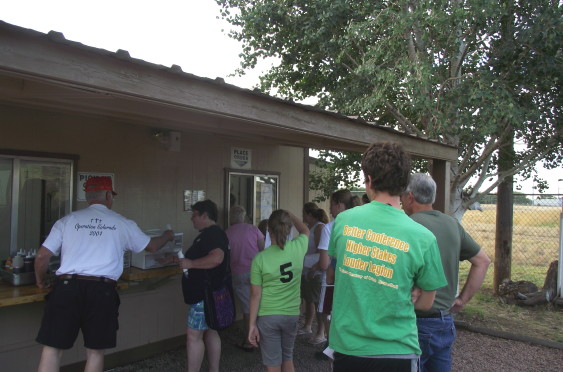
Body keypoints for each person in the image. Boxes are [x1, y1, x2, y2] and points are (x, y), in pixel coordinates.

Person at [34, 176, 175, 372]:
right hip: (102, 291)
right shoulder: (122, 222)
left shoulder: (68, 221)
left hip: (66, 289)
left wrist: (40, 281)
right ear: (108, 195)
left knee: (52, 350)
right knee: (95, 352)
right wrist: (167, 237)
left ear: (87, 196)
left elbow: (42, 257)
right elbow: (151, 246)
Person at [328, 142, 447, 372]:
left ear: (369, 180)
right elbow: (426, 303)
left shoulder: (343, 221)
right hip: (398, 349)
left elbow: (336, 271)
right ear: (403, 186)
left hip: (348, 347)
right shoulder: (424, 237)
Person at [401, 173, 491, 372]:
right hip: (444, 319)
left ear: (409, 197)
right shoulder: (452, 224)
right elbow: (482, 261)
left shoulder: (406, 226)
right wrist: (462, 300)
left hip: (414, 320)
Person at [248, 210, 309, 372]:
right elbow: (305, 230)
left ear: (268, 230)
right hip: (291, 314)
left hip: (268, 316)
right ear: (288, 229)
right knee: (287, 358)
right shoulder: (298, 247)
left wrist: (251, 324)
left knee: (273, 363)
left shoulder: (260, 259)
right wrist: (290, 214)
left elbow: (255, 295)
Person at [178, 199, 230, 372]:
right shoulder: (214, 233)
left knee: (194, 336)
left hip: (203, 296)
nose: (192, 219)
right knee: (211, 331)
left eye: (194, 215)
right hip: (212, 293)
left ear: (205, 215)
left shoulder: (212, 234)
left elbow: (217, 258)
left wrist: (191, 264)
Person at [314, 190, 361, 358]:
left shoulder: (330, 227)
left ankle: (332, 347)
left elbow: (324, 263)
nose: (330, 209)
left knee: (327, 312)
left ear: (339, 205)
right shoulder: (359, 222)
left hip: (332, 279)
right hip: (355, 277)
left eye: (331, 205)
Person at [225, 205, 265, 351]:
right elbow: (263, 250)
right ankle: (261, 336)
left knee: (248, 308)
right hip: (256, 272)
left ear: (231, 218)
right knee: (258, 304)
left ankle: (250, 340)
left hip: (238, 273)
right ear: (244, 216)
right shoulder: (253, 229)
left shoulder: (226, 233)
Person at [298, 202, 329, 345]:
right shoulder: (309, 227)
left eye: (304, 213)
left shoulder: (319, 228)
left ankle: (321, 332)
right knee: (309, 298)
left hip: (315, 269)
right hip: (307, 267)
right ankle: (308, 325)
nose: (302, 215)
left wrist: (314, 268)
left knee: (318, 302)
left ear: (309, 214)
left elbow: (320, 251)